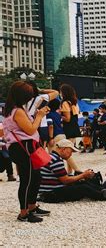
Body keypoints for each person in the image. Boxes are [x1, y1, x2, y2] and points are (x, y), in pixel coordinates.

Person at [3, 81, 51, 222]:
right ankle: (24, 213)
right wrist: (40, 116)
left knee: (35, 177)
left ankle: (32, 206)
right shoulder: (17, 111)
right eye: (28, 96)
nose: (30, 99)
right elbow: (30, 129)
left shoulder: (13, 109)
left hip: (22, 147)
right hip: (23, 148)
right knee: (28, 179)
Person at [38, 139, 106, 203]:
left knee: (82, 183)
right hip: (50, 194)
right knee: (83, 187)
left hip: (50, 190)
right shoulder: (56, 160)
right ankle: (102, 195)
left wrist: (81, 177)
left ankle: (105, 191)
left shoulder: (52, 157)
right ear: (63, 149)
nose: (70, 155)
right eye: (70, 151)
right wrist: (83, 175)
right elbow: (65, 180)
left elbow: (62, 178)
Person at [25, 81, 59, 147]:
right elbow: (56, 92)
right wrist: (41, 90)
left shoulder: (20, 101)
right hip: (41, 126)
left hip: (27, 126)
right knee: (40, 150)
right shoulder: (40, 98)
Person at [59, 84, 82, 174]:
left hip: (68, 128)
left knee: (67, 152)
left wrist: (59, 115)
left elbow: (67, 118)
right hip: (74, 127)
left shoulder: (65, 103)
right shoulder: (74, 102)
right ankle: (70, 171)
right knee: (69, 150)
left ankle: (75, 170)